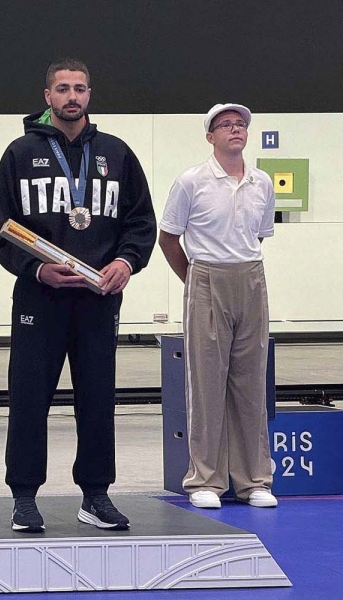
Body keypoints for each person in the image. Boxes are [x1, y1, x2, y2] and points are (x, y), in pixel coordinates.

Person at [0, 58, 156, 532]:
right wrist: (38, 269)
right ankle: (24, 496)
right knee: (28, 397)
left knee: (98, 397)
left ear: (89, 95)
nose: (72, 97)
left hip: (99, 298)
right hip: (40, 298)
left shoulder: (117, 153)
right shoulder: (19, 154)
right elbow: (3, 231)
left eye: (80, 88)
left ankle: (96, 494)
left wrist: (126, 262)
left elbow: (141, 223)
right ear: (47, 97)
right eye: (62, 88)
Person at [158, 103, 278, 510]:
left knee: (251, 382)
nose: (235, 130)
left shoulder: (262, 183)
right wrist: (195, 280)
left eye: (240, 124)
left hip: (250, 276)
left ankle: (254, 480)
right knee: (207, 381)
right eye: (225, 125)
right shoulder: (192, 181)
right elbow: (168, 238)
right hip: (206, 275)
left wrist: (238, 271)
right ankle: (205, 478)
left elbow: (257, 237)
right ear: (210, 136)